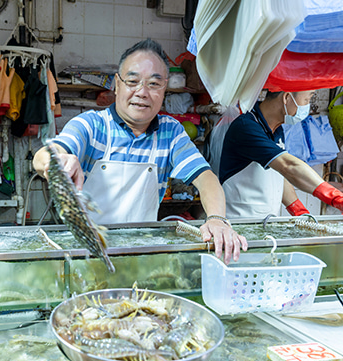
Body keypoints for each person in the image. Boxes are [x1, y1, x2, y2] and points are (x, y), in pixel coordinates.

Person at [33, 39, 247, 264]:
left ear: (164, 89)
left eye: (154, 84)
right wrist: (57, 161)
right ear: (117, 84)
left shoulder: (170, 132)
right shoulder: (91, 125)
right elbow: (45, 155)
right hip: (84, 254)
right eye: (133, 81)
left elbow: (206, 179)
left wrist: (216, 219)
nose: (142, 92)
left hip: (141, 256)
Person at [219, 90, 343, 218]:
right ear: (287, 97)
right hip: (238, 222)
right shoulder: (246, 127)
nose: (307, 106)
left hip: (265, 223)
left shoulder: (277, 129)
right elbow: (288, 166)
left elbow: (278, 173)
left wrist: (298, 209)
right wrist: (335, 197)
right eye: (306, 100)